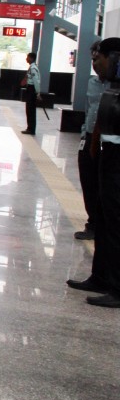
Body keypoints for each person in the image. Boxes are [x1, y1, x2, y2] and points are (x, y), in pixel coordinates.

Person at [73, 37, 120, 307]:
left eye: (98, 59)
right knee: (101, 218)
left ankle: (117, 286)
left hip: (116, 161)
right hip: (103, 154)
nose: (95, 65)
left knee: (115, 223)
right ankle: (100, 276)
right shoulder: (108, 87)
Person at [74, 40, 104, 241]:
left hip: (106, 142)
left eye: (98, 59)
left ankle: (102, 224)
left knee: (104, 185)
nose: (94, 63)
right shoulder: (92, 83)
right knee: (88, 182)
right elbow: (88, 111)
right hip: (88, 138)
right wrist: (85, 135)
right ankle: (92, 223)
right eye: (92, 59)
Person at [20, 51, 41, 135]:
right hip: (30, 89)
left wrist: (38, 93)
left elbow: (36, 81)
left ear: (31, 58)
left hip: (32, 90)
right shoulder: (32, 67)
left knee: (30, 110)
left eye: (28, 57)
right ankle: (30, 128)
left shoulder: (33, 68)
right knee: (29, 110)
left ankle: (31, 129)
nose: (26, 59)